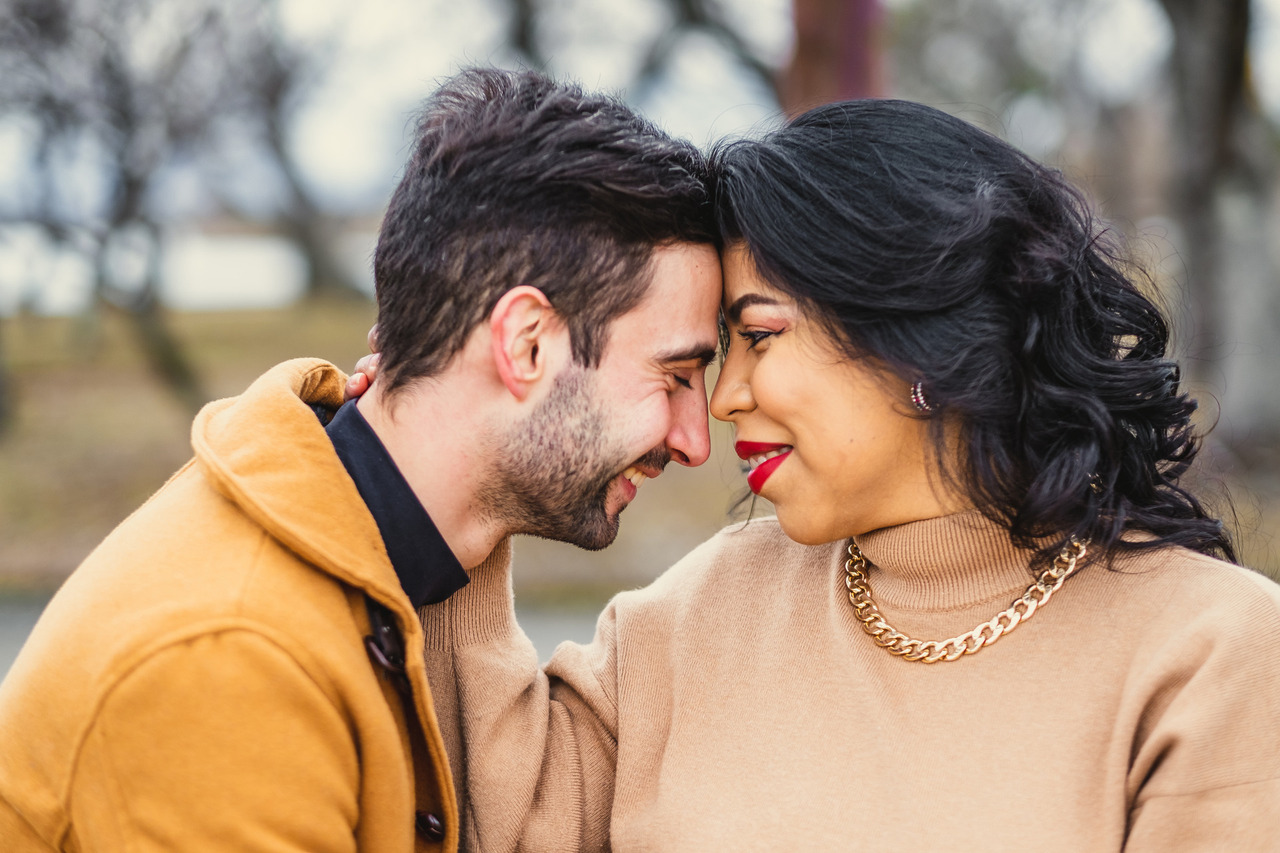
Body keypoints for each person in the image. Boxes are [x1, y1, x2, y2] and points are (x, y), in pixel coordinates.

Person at [404, 98, 1280, 851]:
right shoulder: (702, 610)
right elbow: (489, 821)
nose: (724, 399)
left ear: (911, 332)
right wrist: (458, 445)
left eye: (758, 334)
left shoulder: (1210, 649)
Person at [0, 67, 720, 852]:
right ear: (527, 344)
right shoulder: (233, 661)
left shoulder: (373, 553)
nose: (695, 439)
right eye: (676, 376)